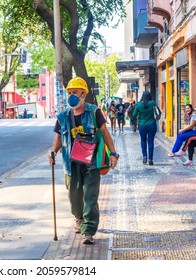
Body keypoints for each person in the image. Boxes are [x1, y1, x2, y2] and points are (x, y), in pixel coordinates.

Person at [48, 76, 118, 245]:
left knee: (90, 196)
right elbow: (59, 137)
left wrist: (113, 153)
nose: (72, 95)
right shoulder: (63, 116)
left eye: (75, 92)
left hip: (92, 163)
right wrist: (53, 152)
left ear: (84, 94)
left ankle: (88, 230)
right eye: (69, 92)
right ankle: (78, 217)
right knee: (74, 197)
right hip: (70, 163)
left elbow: (105, 132)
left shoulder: (94, 111)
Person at [132, 91, 158, 165]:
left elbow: (134, 115)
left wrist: (135, 120)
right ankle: (150, 159)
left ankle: (144, 157)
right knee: (150, 141)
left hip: (142, 125)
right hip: (152, 125)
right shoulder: (153, 103)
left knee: (143, 140)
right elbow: (157, 112)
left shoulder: (139, 104)